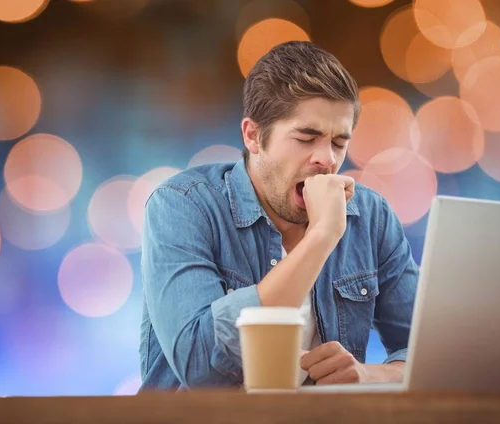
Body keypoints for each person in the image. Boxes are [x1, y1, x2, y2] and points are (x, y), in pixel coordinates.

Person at [139, 41, 419, 390]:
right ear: (253, 136)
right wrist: (321, 237)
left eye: (338, 143)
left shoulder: (371, 216)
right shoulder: (182, 206)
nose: (327, 159)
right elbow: (200, 366)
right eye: (306, 138)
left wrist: (369, 374)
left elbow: (429, 354)